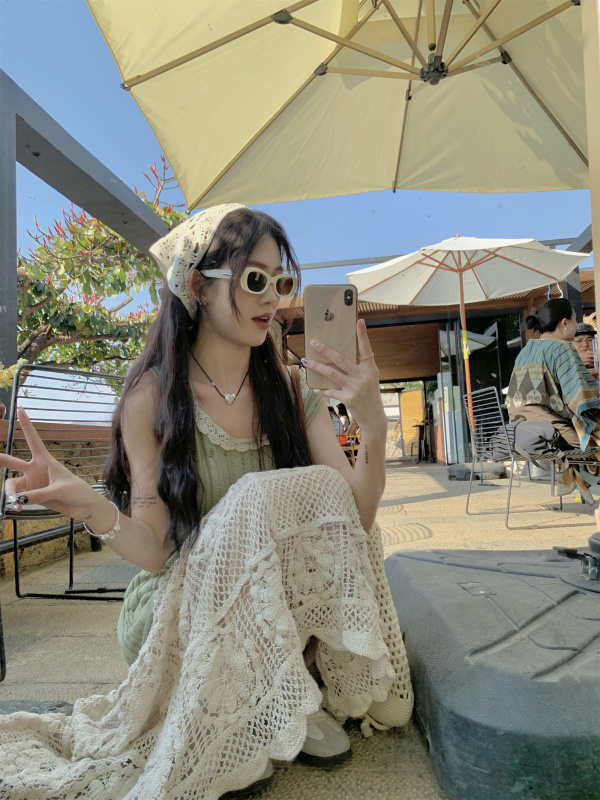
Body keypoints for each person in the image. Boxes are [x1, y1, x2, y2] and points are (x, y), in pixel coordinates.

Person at [0, 205, 413, 800]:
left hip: (271, 609)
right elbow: (154, 549)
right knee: (255, 499)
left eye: (281, 281)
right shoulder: (153, 398)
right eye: (254, 279)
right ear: (198, 285)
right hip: (181, 612)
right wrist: (90, 505)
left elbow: (351, 523)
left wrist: (372, 426)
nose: (271, 297)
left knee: (321, 498)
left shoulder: (293, 387)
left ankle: (279, 698)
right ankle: (251, 714)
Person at [506, 298, 600, 502]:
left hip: (521, 432)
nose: (576, 326)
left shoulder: (525, 351)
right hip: (553, 435)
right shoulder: (561, 348)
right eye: (575, 320)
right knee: (594, 435)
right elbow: (582, 398)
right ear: (565, 323)